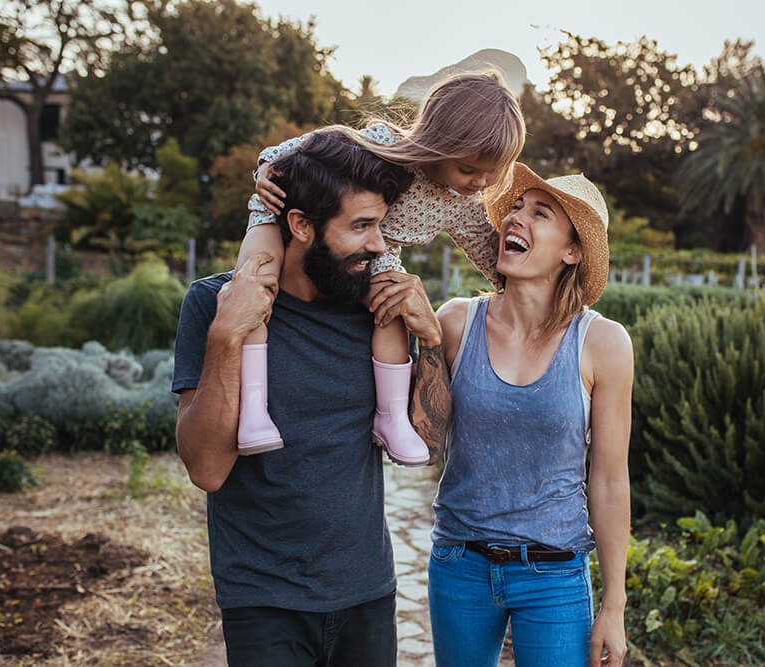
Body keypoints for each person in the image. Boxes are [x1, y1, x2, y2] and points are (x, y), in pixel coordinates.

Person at [171, 130, 451, 666]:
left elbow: (430, 441)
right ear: (300, 225)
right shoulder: (213, 303)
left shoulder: (377, 307)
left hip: (367, 589)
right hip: (263, 598)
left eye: (382, 225)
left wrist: (431, 338)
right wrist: (228, 335)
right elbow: (206, 468)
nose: (378, 244)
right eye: (362, 226)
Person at [234, 71, 524, 466]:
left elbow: (488, 252)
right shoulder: (383, 144)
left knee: (392, 306)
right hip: (282, 214)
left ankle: (389, 418)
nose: (481, 182)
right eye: (470, 169)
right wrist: (268, 170)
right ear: (438, 143)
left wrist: (531, 287)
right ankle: (252, 409)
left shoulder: (461, 202)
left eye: (492, 172)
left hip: (371, 253)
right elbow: (300, 147)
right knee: (255, 282)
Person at [427, 163, 633, 667]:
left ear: (571, 251)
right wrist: (410, 326)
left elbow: (608, 481)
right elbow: (419, 440)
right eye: (516, 208)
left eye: (540, 213)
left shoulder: (603, 343)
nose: (517, 219)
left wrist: (614, 604)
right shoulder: (455, 322)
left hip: (555, 576)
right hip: (460, 564)